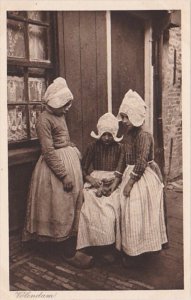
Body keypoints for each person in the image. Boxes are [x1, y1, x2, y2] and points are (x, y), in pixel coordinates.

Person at [22, 77, 93, 268]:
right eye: (65, 104)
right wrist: (64, 174)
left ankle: (71, 242)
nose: (68, 108)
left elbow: (62, 138)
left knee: (72, 204)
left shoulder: (60, 115)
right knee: (59, 205)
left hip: (68, 161)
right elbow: (48, 151)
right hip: (54, 170)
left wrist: (70, 147)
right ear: (56, 102)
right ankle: (64, 249)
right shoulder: (43, 120)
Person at [117, 89, 168, 265]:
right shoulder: (128, 135)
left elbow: (141, 162)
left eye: (126, 117)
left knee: (139, 209)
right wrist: (118, 177)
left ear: (136, 116)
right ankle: (131, 249)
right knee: (127, 211)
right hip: (130, 174)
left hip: (143, 176)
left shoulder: (144, 136)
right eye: (122, 117)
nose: (123, 121)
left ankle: (143, 250)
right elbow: (124, 158)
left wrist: (130, 183)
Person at [76, 112, 124, 264]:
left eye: (110, 135)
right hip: (95, 180)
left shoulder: (120, 148)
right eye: (104, 135)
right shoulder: (92, 146)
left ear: (115, 134)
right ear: (99, 134)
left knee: (109, 208)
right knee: (89, 205)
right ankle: (88, 247)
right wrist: (91, 179)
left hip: (113, 182)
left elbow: (120, 171)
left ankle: (108, 247)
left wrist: (113, 183)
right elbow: (82, 169)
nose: (107, 138)